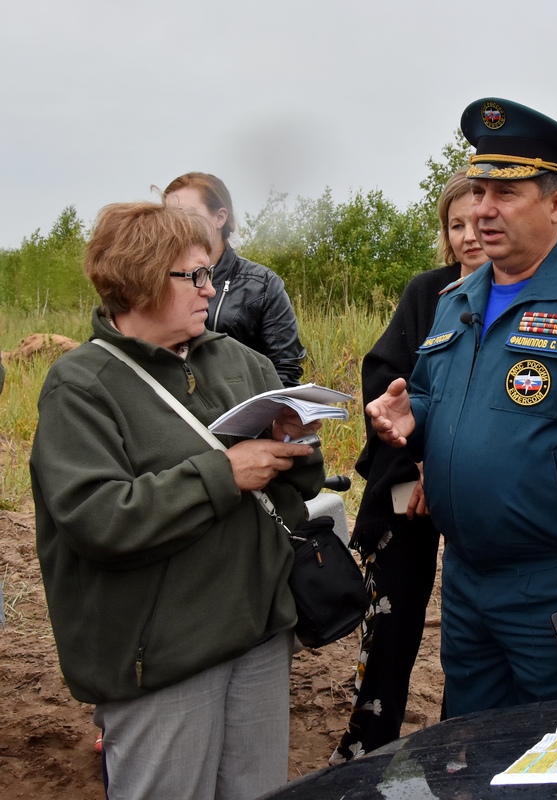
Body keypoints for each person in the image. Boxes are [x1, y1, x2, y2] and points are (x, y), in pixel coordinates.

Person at [366, 98, 557, 717]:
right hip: (466, 578)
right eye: (479, 190)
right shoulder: (459, 297)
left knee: (554, 748)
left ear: (556, 204)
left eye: (506, 193)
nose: (483, 210)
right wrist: (411, 416)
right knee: (469, 744)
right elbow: (433, 394)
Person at [31, 201, 324, 799]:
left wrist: (296, 450)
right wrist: (225, 473)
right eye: (192, 276)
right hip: (163, 658)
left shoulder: (243, 362)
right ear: (139, 278)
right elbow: (99, 520)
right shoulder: (81, 385)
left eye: (208, 272)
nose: (209, 289)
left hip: (259, 635)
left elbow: (298, 493)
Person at [331, 168, 488, 763]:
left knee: (471, 624)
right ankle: (368, 741)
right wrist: (418, 464)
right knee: (392, 617)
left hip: (476, 487)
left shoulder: (524, 294)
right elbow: (387, 379)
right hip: (406, 488)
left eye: (479, 220)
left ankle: (459, 741)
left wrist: (444, 467)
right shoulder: (428, 292)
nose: (470, 234)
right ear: (445, 235)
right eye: (456, 225)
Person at [164, 172, 307, 386]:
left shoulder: (262, 285)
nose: (177, 226)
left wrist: (267, 416)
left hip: (244, 414)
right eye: (168, 217)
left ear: (220, 217)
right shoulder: (156, 280)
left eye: (188, 215)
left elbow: (284, 370)